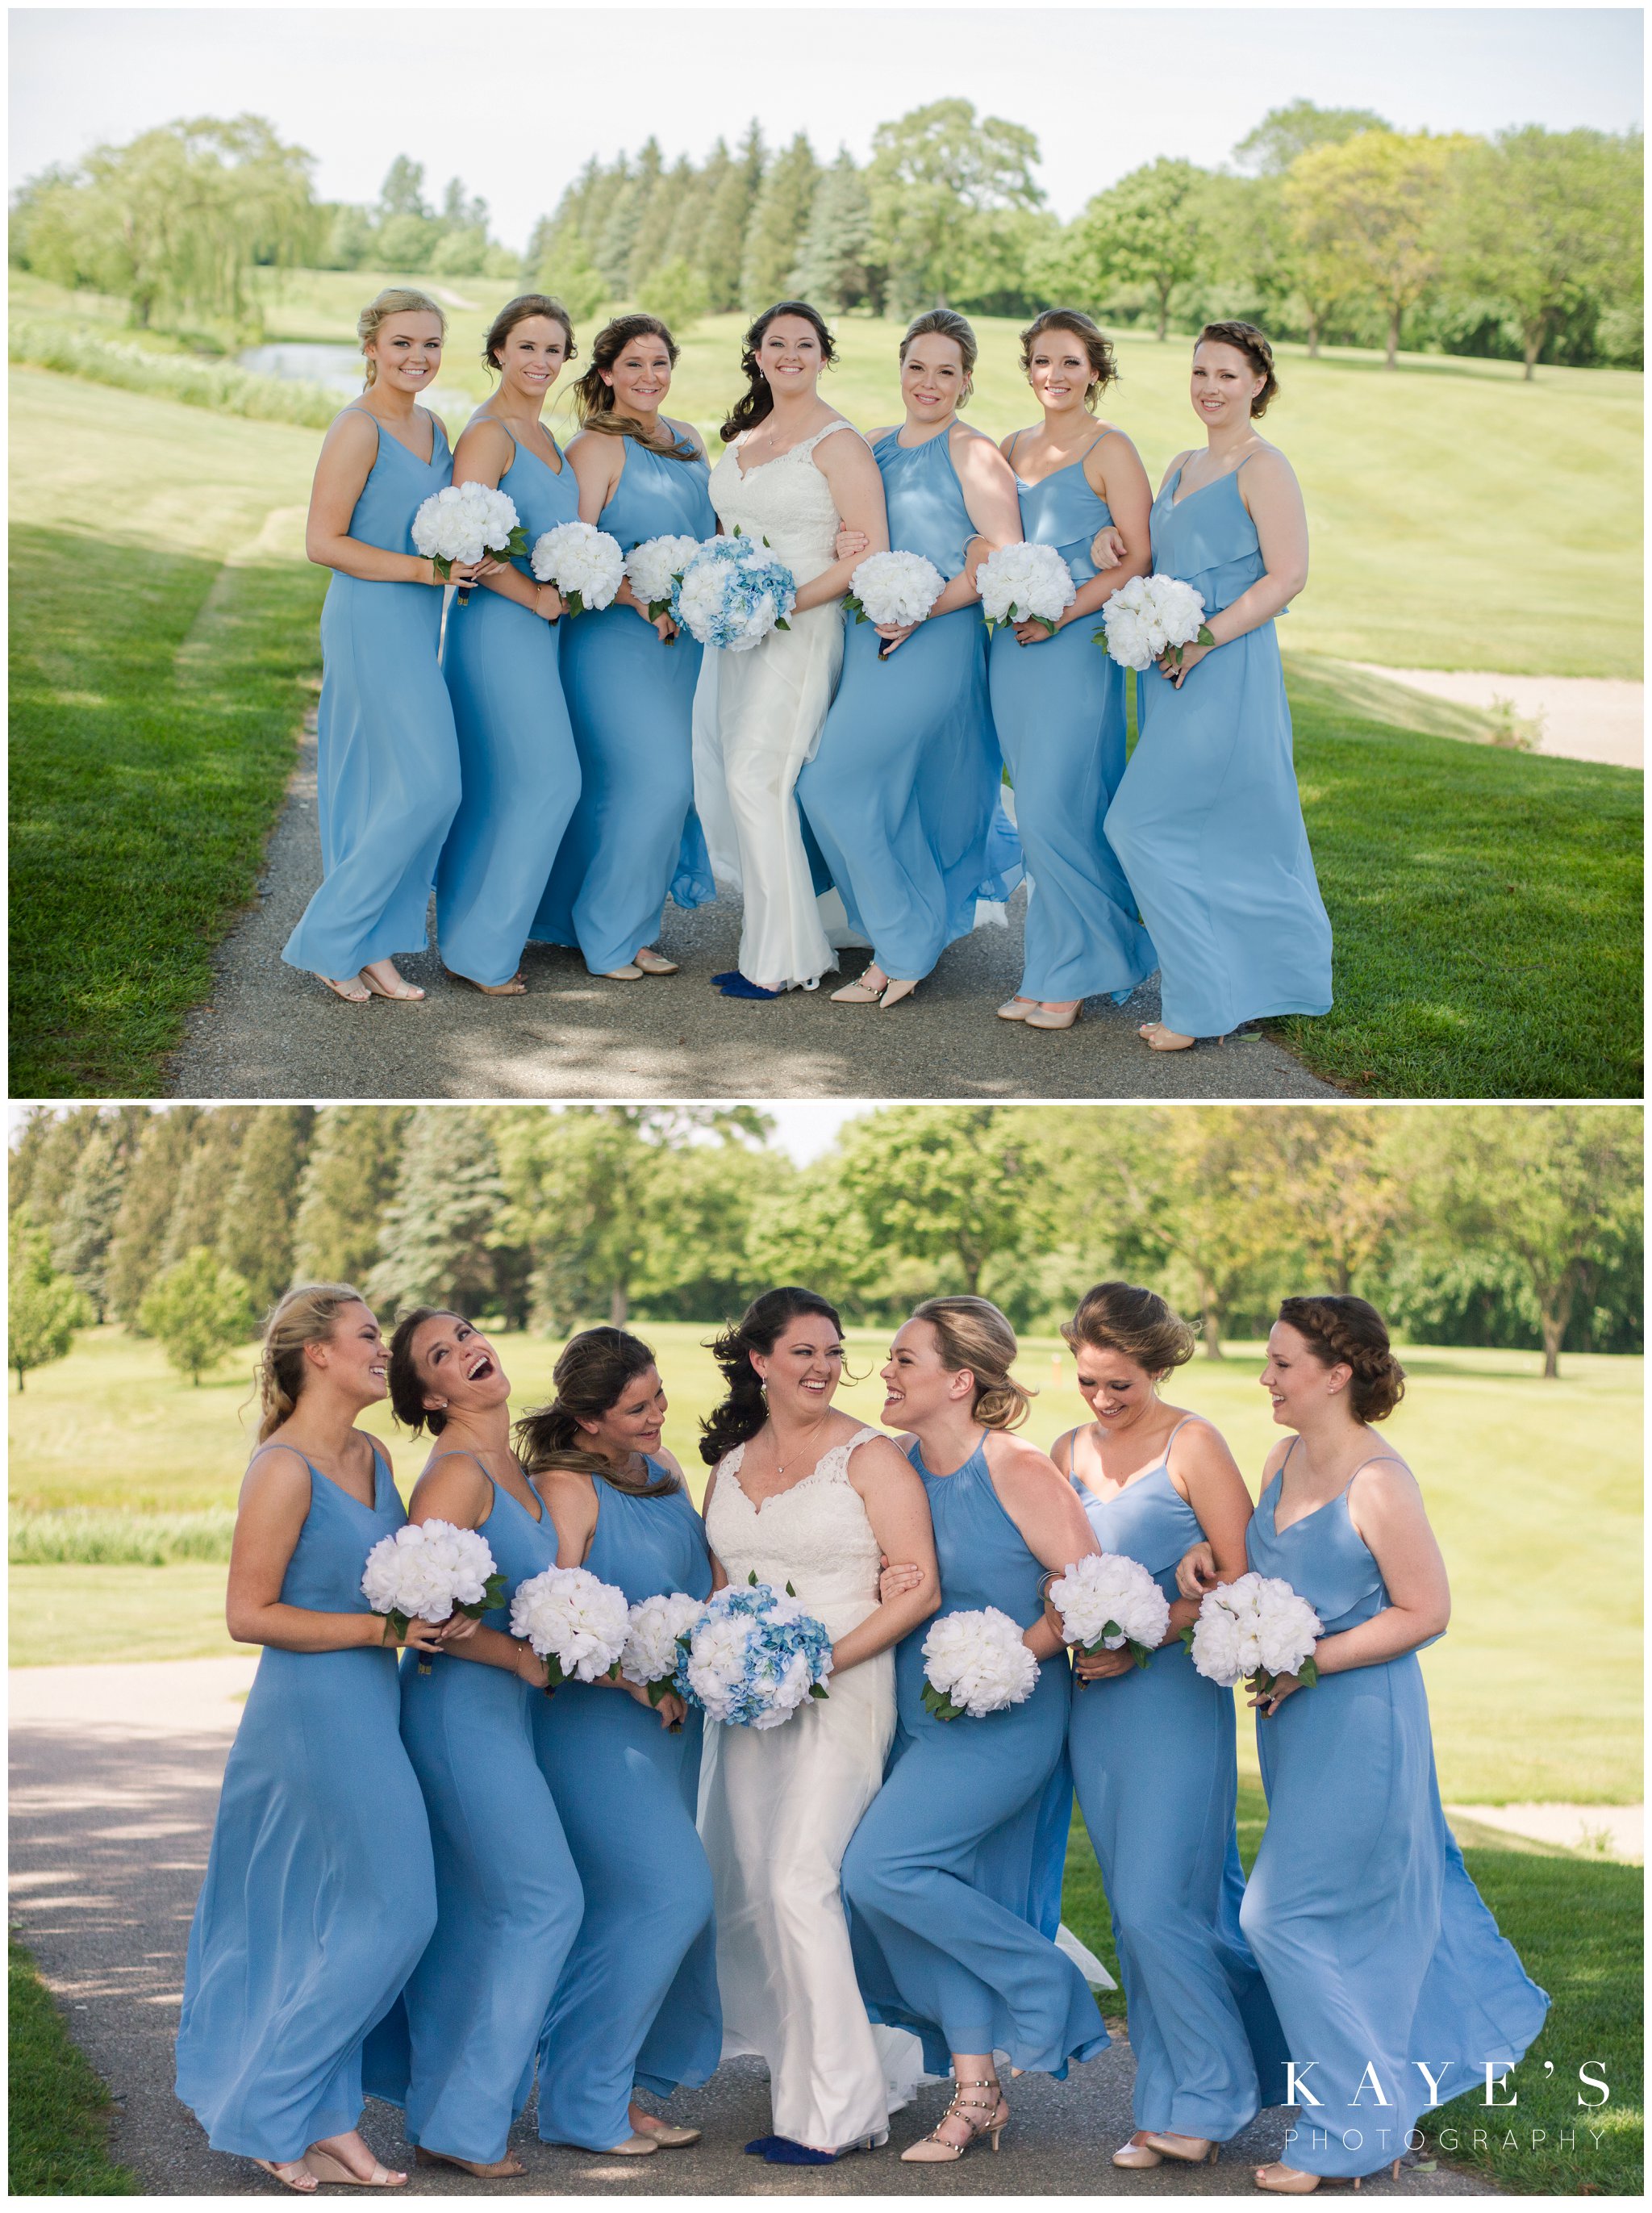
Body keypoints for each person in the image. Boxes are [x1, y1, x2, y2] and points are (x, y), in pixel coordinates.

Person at [1181, 1296, 1548, 2191]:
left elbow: (1425, 1611)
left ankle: (1354, 2124)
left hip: (1362, 1723)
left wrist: (1309, 1660)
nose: (1263, 1378)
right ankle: (1365, 2116)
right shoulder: (1279, 1457)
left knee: (1279, 1915)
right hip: (1295, 1728)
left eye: (1279, 1363)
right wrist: (1210, 1568)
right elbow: (1270, 1577)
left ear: (1336, 1373)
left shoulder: (1378, 1482)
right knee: (1337, 1924)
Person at [175, 1285, 448, 2192]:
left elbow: (401, 1579)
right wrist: (385, 1633)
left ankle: (328, 2120)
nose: (385, 1351)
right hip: (309, 1714)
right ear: (317, 1355)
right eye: (368, 1336)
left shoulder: (372, 1453)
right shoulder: (282, 1466)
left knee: (337, 1917)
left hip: (373, 1703)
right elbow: (247, 1613)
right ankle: (269, 2104)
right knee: (401, 1906)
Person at [841, 1298, 1108, 2163]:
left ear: (959, 1380)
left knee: (883, 1868)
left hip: (1006, 1714)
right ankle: (973, 2096)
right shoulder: (896, 1465)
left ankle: (1047, 1985)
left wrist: (1004, 1659)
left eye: (903, 1359)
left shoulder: (1017, 1468)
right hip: (913, 1715)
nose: (885, 1370)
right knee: (931, 1898)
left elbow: (1087, 1592)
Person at [696, 1288, 940, 2159]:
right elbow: (722, 1585)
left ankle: (839, 2113)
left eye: (833, 1352)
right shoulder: (726, 1465)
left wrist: (818, 1662)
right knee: (761, 1889)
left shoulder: (870, 1459)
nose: (823, 1368)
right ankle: (814, 2079)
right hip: (750, 1702)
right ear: (759, 1360)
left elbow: (919, 1583)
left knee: (803, 1878)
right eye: (802, 1351)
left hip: (844, 1685)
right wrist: (731, 1661)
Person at [1049, 1282, 1285, 2170]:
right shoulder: (1066, 1448)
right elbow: (1045, 1558)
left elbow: (1240, 1574)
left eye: (1121, 1385)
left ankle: (1208, 2100)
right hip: (1090, 1709)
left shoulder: (1194, 1444)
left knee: (1160, 1905)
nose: (1103, 1401)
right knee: (1139, 1906)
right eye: (1088, 1382)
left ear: (1158, 1365)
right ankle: (1168, 2099)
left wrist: (1147, 1626)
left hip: (1171, 1703)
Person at [361, 1309, 582, 2179]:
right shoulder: (453, 1475)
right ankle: (466, 2119)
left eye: (467, 1334)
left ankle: (442, 2111)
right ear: (428, 1394)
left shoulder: (511, 1468)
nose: (468, 1350)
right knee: (544, 1900)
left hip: (505, 1717)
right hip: (457, 1716)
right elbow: (421, 1616)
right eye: (441, 1354)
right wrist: (521, 1656)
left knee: (483, 1915)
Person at [518, 1329, 721, 2157]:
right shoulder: (563, 1487)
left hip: (675, 1724)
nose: (657, 1414)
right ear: (586, 1418)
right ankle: (576, 2102)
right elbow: (549, 1622)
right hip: (595, 1725)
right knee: (668, 1894)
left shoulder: (667, 1470)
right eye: (636, 1407)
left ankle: (623, 2090)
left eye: (659, 1395)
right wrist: (633, 1677)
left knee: (644, 1910)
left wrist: (706, 1652)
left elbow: (705, 1575)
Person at [1104, 323, 1333, 1051]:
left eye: (1228, 375)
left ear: (1258, 383)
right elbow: (1155, 560)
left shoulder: (1265, 467)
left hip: (1226, 669)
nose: (1210, 386)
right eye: (1201, 371)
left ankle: (1200, 1004)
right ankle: (1232, 981)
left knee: (1137, 824)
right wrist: (1104, 547)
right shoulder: (1179, 464)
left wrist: (1205, 638)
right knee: (1206, 831)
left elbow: (1288, 574)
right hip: (1171, 676)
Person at [798, 311, 1023, 1008]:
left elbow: (1006, 558)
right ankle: (906, 927)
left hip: (937, 640)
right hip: (869, 640)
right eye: (917, 367)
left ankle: (905, 944)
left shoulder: (974, 453)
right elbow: (850, 532)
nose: (929, 383)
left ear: (966, 382)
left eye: (946, 372)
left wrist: (925, 607)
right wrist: (843, 549)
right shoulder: (871, 446)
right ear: (899, 369)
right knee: (875, 791)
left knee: (831, 782)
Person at [282, 294, 478, 1004]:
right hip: (369, 620)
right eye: (401, 343)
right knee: (432, 786)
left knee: (385, 791)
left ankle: (374, 947)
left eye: (430, 344)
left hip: (417, 621)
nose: (417, 357)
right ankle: (331, 938)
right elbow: (321, 543)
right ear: (370, 345)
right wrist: (429, 570)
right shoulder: (357, 428)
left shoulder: (433, 424)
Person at [695, 303, 889, 998]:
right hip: (736, 634)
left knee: (760, 778)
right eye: (776, 344)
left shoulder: (839, 443)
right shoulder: (748, 433)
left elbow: (871, 551)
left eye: (804, 345)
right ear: (757, 355)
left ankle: (783, 960)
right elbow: (728, 531)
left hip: (800, 632)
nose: (790, 355)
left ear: (824, 356)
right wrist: (720, 595)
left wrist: (777, 603)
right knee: (741, 776)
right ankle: (771, 942)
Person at [534, 315, 717, 982]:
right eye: (634, 364)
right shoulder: (594, 449)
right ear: (606, 372)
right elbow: (569, 559)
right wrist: (640, 598)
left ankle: (634, 928)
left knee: (665, 786)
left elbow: (714, 530)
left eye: (660, 363)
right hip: (614, 642)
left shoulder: (690, 440)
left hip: (685, 647)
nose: (649, 377)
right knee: (654, 783)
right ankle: (607, 936)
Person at [988, 310, 1155, 1032]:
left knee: (1061, 810)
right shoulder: (1008, 446)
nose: (1053, 375)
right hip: (1009, 650)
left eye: (1070, 362)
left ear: (1096, 371)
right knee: (1037, 816)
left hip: (1073, 648)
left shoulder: (1111, 449)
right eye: (1041, 362)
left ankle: (1076, 971)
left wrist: (1065, 609)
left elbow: (1140, 556)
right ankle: (1050, 968)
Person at [436, 296, 583, 994]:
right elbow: (468, 543)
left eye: (553, 350)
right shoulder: (490, 434)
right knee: (551, 781)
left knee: (506, 787)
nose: (540, 361)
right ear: (497, 351)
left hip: (540, 635)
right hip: (497, 632)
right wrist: (534, 597)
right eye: (526, 347)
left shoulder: (547, 436)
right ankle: (482, 950)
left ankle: (475, 940)